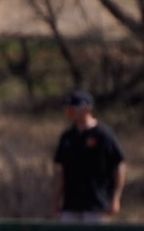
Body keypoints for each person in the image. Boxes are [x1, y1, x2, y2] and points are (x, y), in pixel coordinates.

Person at [54, 90, 126, 223]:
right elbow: (61, 172)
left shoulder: (103, 135)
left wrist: (116, 198)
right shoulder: (67, 137)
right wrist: (57, 200)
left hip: (96, 204)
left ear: (86, 109)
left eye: (73, 109)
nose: (69, 112)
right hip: (70, 204)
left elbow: (119, 166)